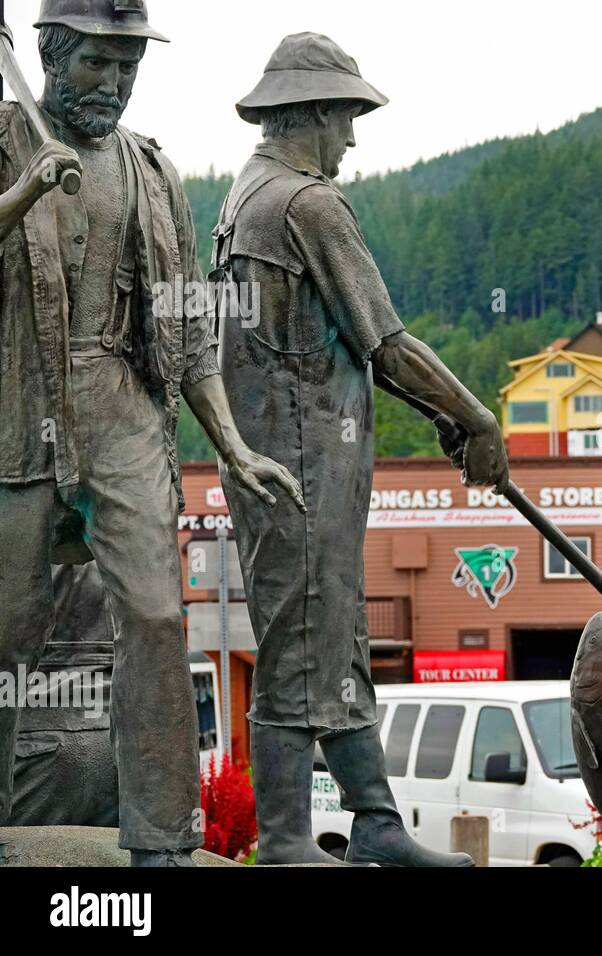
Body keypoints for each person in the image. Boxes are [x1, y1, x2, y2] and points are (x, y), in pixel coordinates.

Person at [0, 0, 302, 867]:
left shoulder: (149, 169)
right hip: (25, 413)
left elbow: (188, 321)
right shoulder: (9, 138)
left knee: (156, 616)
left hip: (126, 409)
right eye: (97, 63)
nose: (115, 83)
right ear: (51, 55)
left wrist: (233, 446)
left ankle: (163, 842)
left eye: (129, 66)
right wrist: (22, 192)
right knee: (10, 630)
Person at [215, 33, 508, 866]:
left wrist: (438, 415)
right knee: (299, 636)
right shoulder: (309, 205)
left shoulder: (243, 197)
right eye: (345, 119)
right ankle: (283, 838)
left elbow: (330, 344)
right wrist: (478, 419)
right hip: (303, 466)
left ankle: (374, 820)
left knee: (329, 632)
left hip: (289, 463)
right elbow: (388, 344)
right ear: (308, 113)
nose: (352, 139)